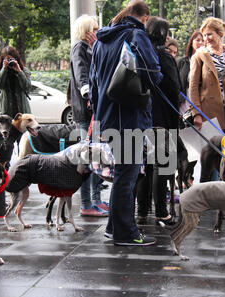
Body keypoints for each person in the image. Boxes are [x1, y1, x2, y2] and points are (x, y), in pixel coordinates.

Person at [89, 0, 163, 246]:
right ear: (143, 18)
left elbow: (94, 84)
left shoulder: (101, 40)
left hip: (107, 116)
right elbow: (153, 72)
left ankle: (114, 227)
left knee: (122, 173)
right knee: (127, 175)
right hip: (130, 116)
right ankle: (125, 232)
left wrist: (100, 116)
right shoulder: (135, 34)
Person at [136, 16, 180, 226]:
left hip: (142, 118)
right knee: (162, 166)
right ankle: (162, 211)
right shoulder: (164, 56)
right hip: (162, 118)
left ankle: (142, 210)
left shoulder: (139, 53)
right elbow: (173, 88)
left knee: (145, 166)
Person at [70, 14, 108, 217]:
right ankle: (86, 203)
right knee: (87, 157)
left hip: (94, 110)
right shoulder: (80, 48)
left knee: (96, 158)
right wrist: (89, 94)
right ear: (85, 32)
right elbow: (82, 76)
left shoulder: (92, 48)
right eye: (94, 29)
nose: (97, 31)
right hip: (87, 111)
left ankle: (96, 200)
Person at [189, 17, 225, 135]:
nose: (206, 38)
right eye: (204, 35)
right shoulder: (199, 55)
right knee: (214, 151)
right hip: (209, 113)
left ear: (219, 34)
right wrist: (196, 113)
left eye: (209, 34)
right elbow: (193, 86)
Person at [0, 46, 31, 119]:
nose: (9, 62)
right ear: (3, 60)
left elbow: (27, 87)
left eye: (11, 59)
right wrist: (4, 70)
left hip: (22, 110)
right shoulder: (1, 71)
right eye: (7, 59)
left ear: (16, 59)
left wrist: (19, 72)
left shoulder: (23, 71)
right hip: (5, 110)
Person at [177, 30, 204, 114]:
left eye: (203, 40)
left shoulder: (207, 63)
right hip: (185, 100)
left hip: (202, 101)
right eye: (198, 40)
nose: (201, 43)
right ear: (191, 42)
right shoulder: (182, 62)